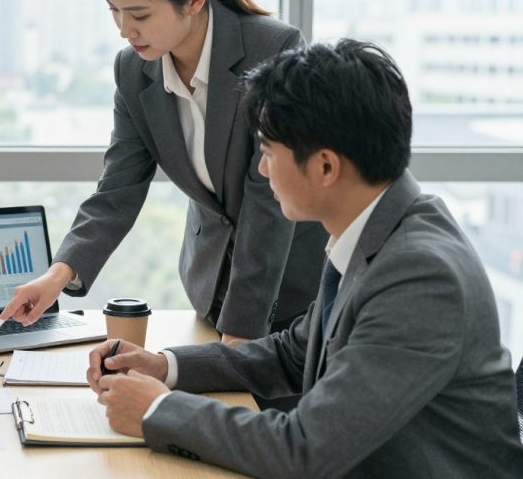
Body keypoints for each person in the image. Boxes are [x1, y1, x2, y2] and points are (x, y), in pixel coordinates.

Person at [86, 40, 523, 477]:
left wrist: (157, 410)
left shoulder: (421, 277)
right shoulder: (376, 231)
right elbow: (292, 356)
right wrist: (165, 366)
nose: (261, 170)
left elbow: (307, 450)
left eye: (270, 153)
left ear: (326, 168)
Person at [1, 0, 326, 346]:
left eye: (138, 14)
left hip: (293, 288)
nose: (123, 29)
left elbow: (266, 202)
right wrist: (57, 275)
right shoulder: (135, 71)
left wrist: (240, 335)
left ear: (193, 0)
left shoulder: (273, 49)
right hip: (212, 287)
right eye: (113, 10)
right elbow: (117, 190)